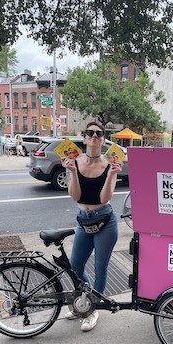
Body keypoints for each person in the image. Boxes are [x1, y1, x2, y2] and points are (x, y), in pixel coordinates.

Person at [61, 121, 123, 332]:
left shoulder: (109, 165)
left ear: (103, 140)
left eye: (99, 133)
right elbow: (76, 196)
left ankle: (93, 309)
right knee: (75, 265)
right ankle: (85, 299)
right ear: (85, 138)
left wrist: (112, 175)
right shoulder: (75, 162)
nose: (94, 136)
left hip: (105, 222)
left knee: (100, 269)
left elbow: (104, 198)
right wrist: (72, 172)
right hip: (83, 221)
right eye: (90, 133)